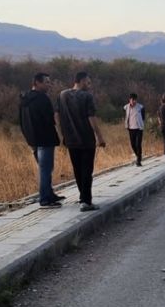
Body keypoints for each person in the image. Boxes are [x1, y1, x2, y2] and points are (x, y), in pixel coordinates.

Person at [56, 72, 106, 211]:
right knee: (87, 170)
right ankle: (86, 201)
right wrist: (99, 137)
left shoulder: (62, 95)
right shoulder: (87, 96)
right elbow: (91, 118)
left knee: (77, 169)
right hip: (86, 139)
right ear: (82, 81)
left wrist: (62, 133)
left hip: (70, 139)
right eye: (88, 82)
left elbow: (57, 115)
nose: (89, 85)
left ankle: (82, 197)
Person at [19, 72, 64, 208]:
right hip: (45, 138)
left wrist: (28, 138)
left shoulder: (24, 99)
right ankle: (45, 199)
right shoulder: (42, 98)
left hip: (32, 139)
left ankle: (49, 193)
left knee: (44, 168)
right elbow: (50, 119)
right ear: (37, 83)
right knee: (46, 169)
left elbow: (21, 121)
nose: (49, 85)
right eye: (46, 82)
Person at [123, 93, 146, 166]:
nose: (134, 101)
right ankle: (138, 155)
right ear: (129, 100)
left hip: (139, 128)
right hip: (131, 128)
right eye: (132, 100)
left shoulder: (140, 107)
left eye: (135, 100)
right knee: (133, 145)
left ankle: (138, 160)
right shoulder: (126, 107)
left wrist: (141, 123)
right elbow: (125, 116)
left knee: (138, 144)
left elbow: (143, 117)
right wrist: (126, 125)